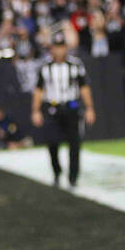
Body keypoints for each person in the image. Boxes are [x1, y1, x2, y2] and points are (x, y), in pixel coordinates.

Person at [31, 32, 95, 187]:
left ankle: (73, 177)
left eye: (61, 47)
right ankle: (57, 172)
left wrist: (89, 108)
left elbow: (84, 87)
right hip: (53, 108)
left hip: (71, 107)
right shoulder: (45, 67)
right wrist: (36, 110)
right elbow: (39, 90)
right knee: (52, 142)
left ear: (66, 48)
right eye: (56, 47)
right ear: (51, 49)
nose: (59, 51)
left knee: (75, 143)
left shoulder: (75, 65)